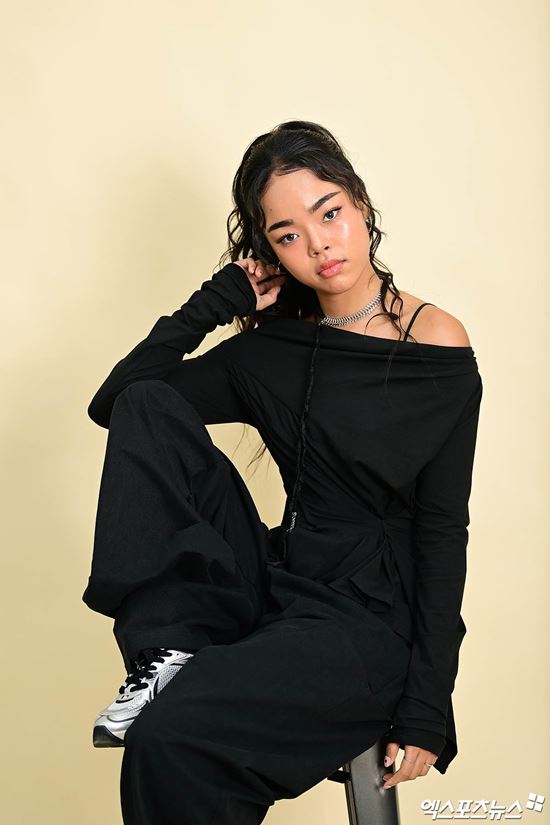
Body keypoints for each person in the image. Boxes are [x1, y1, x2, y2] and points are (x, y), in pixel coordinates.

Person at [82, 120, 483, 825]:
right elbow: (119, 405)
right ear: (269, 251)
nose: (320, 244)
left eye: (329, 213)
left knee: (167, 738)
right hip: (276, 584)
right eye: (289, 234)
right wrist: (216, 303)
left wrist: (429, 700)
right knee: (149, 402)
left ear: (360, 205)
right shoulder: (272, 353)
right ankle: (167, 648)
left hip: (367, 623)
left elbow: (444, 526)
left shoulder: (433, 341)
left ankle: (182, 684)